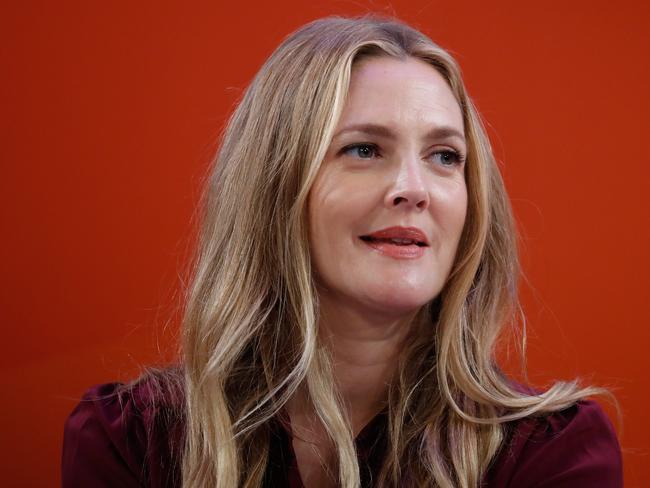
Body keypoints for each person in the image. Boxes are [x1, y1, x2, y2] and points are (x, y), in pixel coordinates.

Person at [61, 15, 623, 488]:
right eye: (364, 149)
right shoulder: (133, 440)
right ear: (274, 189)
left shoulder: (553, 453)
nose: (414, 187)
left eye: (445, 156)